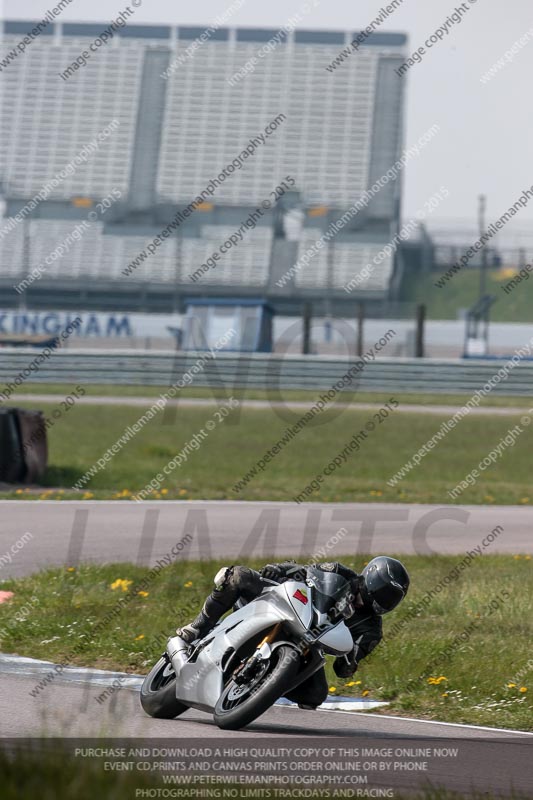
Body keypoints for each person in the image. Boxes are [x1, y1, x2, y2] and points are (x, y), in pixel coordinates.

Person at [176, 556, 409, 709]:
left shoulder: (371, 628)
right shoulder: (340, 572)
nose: (384, 602)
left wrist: (351, 662)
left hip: (307, 646)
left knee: (315, 695)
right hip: (283, 602)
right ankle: (198, 627)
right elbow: (304, 571)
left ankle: (262, 687)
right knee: (239, 577)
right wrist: (278, 569)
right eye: (384, 592)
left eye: (391, 600)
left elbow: (345, 668)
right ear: (371, 578)